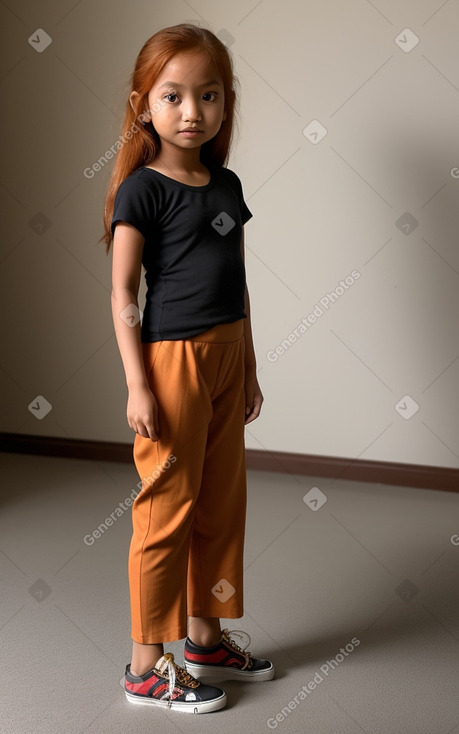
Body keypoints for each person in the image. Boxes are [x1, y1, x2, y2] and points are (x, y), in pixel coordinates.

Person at [101, 22, 274, 714]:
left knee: (220, 507)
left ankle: (204, 638)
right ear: (143, 103)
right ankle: (147, 664)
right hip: (172, 362)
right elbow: (122, 294)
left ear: (224, 103)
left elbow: (236, 280)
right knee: (167, 511)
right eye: (172, 96)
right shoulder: (142, 190)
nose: (191, 111)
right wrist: (138, 383)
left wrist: (251, 366)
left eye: (207, 95)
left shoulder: (225, 187)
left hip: (229, 358)